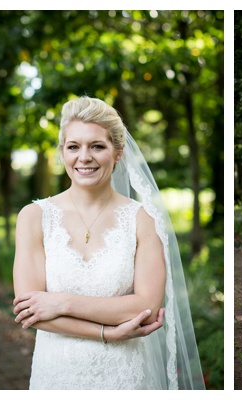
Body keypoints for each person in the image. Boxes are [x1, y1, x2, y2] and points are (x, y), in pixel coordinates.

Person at [12, 96, 205, 389]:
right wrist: (107, 333)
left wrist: (60, 302)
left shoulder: (143, 219)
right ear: (62, 152)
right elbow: (31, 311)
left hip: (125, 375)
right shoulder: (33, 217)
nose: (84, 157)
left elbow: (146, 309)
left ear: (117, 152)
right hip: (55, 374)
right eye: (73, 146)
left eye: (97, 146)